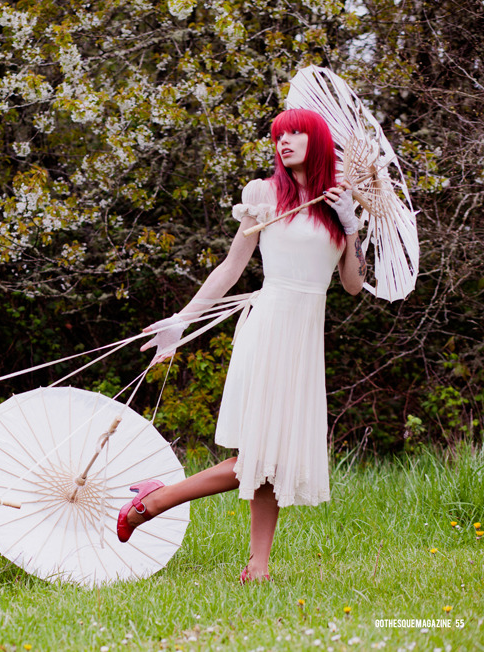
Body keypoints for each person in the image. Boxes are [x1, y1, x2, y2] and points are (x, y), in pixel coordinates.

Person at [116, 108, 367, 582]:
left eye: (295, 133)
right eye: (279, 135)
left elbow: (352, 285)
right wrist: (181, 323)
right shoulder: (264, 194)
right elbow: (231, 268)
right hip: (269, 325)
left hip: (305, 335)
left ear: (316, 140)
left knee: (276, 455)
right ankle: (157, 503)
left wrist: (349, 224)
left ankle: (256, 565)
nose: (285, 142)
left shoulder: (340, 204)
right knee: (262, 454)